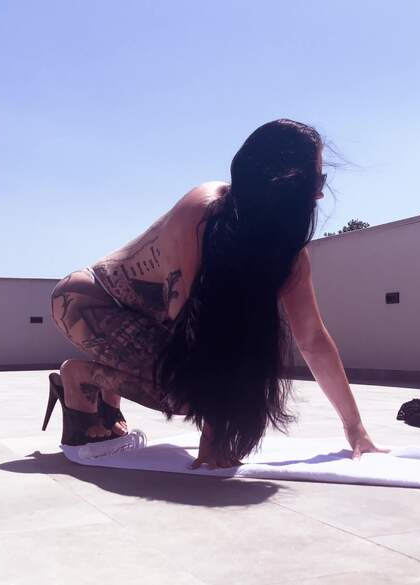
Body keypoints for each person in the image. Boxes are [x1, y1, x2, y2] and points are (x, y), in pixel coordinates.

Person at [45, 118, 388, 469]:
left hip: (147, 324)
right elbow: (195, 333)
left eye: (321, 181)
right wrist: (213, 436)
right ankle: (80, 375)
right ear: (279, 181)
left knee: (208, 382)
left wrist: (355, 428)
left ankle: (104, 391)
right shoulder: (205, 210)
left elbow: (312, 338)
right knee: (187, 393)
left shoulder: (289, 257)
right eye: (313, 182)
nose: (319, 195)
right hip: (88, 301)